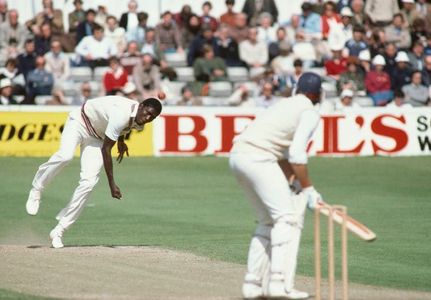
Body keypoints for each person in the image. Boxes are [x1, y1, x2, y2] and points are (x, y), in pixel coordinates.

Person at [229, 72, 323, 300]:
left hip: (237, 156)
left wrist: (295, 181)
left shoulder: (284, 105)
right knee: (286, 219)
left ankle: (252, 286)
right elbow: (297, 155)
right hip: (259, 158)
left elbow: (283, 154)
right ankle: (278, 284)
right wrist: (309, 190)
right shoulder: (309, 112)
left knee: (267, 221)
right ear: (317, 94)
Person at [25, 96, 162, 248]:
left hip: (97, 138)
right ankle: (37, 188)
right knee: (65, 156)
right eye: (148, 113)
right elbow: (107, 149)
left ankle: (59, 230)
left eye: (153, 117)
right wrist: (112, 185)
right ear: (141, 105)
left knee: (89, 183)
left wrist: (122, 141)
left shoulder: (140, 123)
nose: (148, 118)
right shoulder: (122, 112)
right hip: (80, 122)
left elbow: (123, 128)